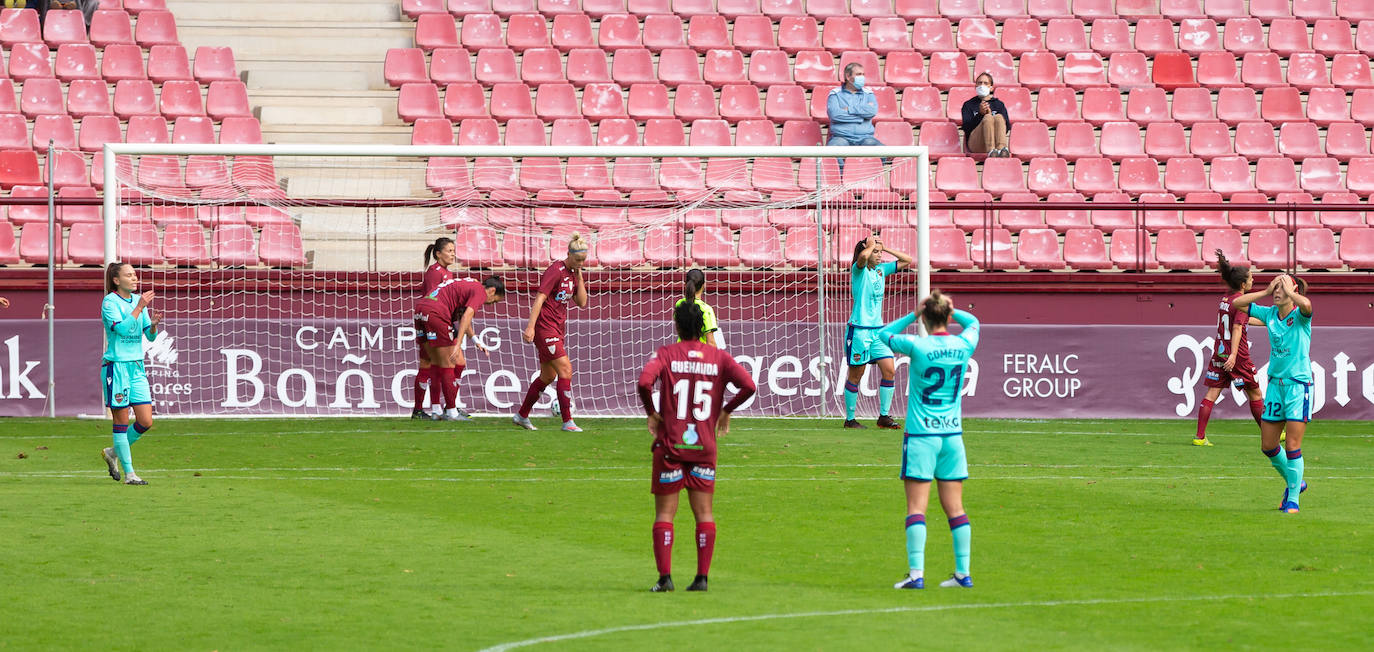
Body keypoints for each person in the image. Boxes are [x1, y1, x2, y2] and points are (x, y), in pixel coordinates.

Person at [637, 301, 758, 592]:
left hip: (671, 444)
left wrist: (651, 413)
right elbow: (750, 386)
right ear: (703, 328)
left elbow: (644, 383)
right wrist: (726, 410)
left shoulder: (666, 354)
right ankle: (702, 578)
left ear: (677, 326)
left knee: (665, 514)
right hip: (704, 445)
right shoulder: (718, 357)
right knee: (704, 513)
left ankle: (665, 579)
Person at [877, 290, 980, 589]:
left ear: (925, 316)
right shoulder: (963, 345)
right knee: (956, 509)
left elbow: (884, 334)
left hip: (922, 436)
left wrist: (913, 314)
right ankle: (963, 573)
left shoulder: (917, 346)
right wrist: (953, 310)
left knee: (916, 508)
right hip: (952, 436)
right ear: (947, 316)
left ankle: (916, 574)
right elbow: (974, 322)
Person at [1233, 274, 1313, 514]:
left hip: (1298, 385)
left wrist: (1290, 293)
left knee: (1292, 445)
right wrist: (1266, 291)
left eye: (1281, 287)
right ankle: (1296, 483)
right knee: (1268, 445)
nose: (1277, 291)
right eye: (1275, 287)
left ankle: (1293, 500)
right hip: (1276, 386)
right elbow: (1237, 303)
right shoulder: (1269, 314)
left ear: (1292, 289)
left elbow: (1307, 305)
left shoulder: (1299, 316)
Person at [513, 234, 590, 432]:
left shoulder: (574, 274)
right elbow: (540, 298)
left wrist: (579, 275)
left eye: (584, 260)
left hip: (557, 327)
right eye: (578, 260)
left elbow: (582, 302)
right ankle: (567, 421)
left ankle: (522, 415)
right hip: (544, 327)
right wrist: (530, 326)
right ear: (569, 254)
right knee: (565, 369)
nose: (581, 263)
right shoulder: (555, 270)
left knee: (548, 376)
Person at [1193, 250, 1269, 446]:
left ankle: (1199, 437)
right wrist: (1234, 355)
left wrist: (1267, 322)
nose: (1253, 281)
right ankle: (1271, 435)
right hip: (1237, 355)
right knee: (1255, 393)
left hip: (1219, 350)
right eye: (1251, 279)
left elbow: (1241, 321)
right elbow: (1237, 327)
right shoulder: (1242, 302)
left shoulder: (1226, 298)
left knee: (1212, 393)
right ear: (1243, 284)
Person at [100, 262, 162, 486]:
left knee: (145, 421)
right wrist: (140, 307)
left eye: (135, 275)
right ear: (117, 280)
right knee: (122, 420)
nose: (135, 278)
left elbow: (150, 336)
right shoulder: (110, 302)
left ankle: (112, 452)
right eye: (129, 275)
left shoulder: (138, 301)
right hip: (116, 367)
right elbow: (123, 329)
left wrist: (153, 325)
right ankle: (130, 474)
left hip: (136, 366)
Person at [843, 234, 912, 430]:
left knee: (890, 370)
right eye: (876, 252)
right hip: (859, 331)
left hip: (878, 332)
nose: (879, 256)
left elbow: (907, 260)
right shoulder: (859, 270)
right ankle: (850, 419)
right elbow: (862, 258)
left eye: (880, 253)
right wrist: (870, 246)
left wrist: (885, 248)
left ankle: (884, 416)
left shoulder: (882, 270)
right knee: (856, 375)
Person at [414, 275, 505, 421]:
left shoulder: (467, 284)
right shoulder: (480, 291)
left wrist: (475, 340)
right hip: (437, 312)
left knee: (435, 363)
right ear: (492, 290)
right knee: (449, 364)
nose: (490, 304)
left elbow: (464, 316)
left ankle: (436, 410)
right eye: (493, 301)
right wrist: (458, 343)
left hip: (421, 309)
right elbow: (467, 316)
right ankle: (451, 412)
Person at [412, 238, 457, 420]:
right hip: (432, 321)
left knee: (443, 363)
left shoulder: (448, 273)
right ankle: (422, 409)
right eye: (449, 251)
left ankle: (440, 407)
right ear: (438, 253)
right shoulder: (434, 272)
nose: (453, 254)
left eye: (454, 250)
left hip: (441, 320)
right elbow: (432, 299)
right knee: (429, 364)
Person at [826, 63, 883, 171]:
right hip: (841, 137)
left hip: (865, 138)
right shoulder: (835, 93)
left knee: (885, 152)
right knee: (831, 150)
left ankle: (869, 178)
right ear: (848, 76)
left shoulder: (869, 93)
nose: (862, 77)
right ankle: (844, 176)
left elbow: (871, 111)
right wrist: (861, 118)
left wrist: (849, 109)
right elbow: (835, 115)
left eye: (863, 74)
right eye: (858, 74)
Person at [961, 72, 1012, 157]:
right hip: (976, 143)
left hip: (995, 141)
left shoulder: (999, 104)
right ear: (976, 86)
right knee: (988, 117)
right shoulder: (968, 105)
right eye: (979, 83)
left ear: (991, 88)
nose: (982, 85)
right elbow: (967, 129)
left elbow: (1006, 127)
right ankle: (991, 151)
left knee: (999, 117)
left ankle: (1001, 149)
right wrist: (980, 115)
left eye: (985, 83)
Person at [674, 269, 720, 347]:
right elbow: (711, 342)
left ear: (685, 284)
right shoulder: (706, 310)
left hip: (680, 353)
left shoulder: (679, 304)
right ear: (704, 285)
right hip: (699, 355)